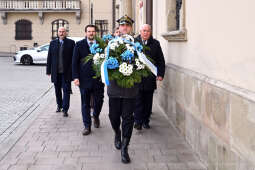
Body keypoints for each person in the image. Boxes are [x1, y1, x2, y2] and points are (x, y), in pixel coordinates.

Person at [107, 15, 136, 164]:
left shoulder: (137, 44)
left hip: (130, 88)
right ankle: (117, 133)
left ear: (131, 28)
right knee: (113, 116)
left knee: (128, 118)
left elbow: (141, 64)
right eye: (122, 25)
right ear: (118, 28)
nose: (125, 28)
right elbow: (102, 61)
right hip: (114, 87)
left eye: (127, 25)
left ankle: (125, 148)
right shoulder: (111, 43)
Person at [72, 24, 104, 136]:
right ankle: (87, 126)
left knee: (99, 101)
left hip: (98, 80)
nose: (91, 33)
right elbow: (74, 62)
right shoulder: (79, 45)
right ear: (86, 33)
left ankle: (95, 115)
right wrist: (75, 77)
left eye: (93, 31)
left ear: (95, 33)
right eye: (89, 31)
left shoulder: (102, 44)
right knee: (85, 103)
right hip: (84, 80)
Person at [134, 24, 165, 130]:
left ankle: (145, 121)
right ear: (140, 31)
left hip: (149, 78)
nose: (145, 32)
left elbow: (161, 60)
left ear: (150, 32)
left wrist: (160, 74)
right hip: (137, 77)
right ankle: (138, 121)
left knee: (147, 101)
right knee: (137, 100)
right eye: (144, 30)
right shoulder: (133, 43)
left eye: (148, 31)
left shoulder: (155, 44)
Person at [46, 27, 75, 117]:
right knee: (57, 90)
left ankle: (65, 109)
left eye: (63, 32)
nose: (61, 33)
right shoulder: (53, 43)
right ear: (57, 33)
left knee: (66, 91)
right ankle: (59, 105)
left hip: (66, 72)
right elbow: (49, 57)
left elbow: (74, 58)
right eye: (60, 32)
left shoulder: (71, 43)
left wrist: (73, 71)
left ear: (66, 33)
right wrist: (48, 70)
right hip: (56, 72)